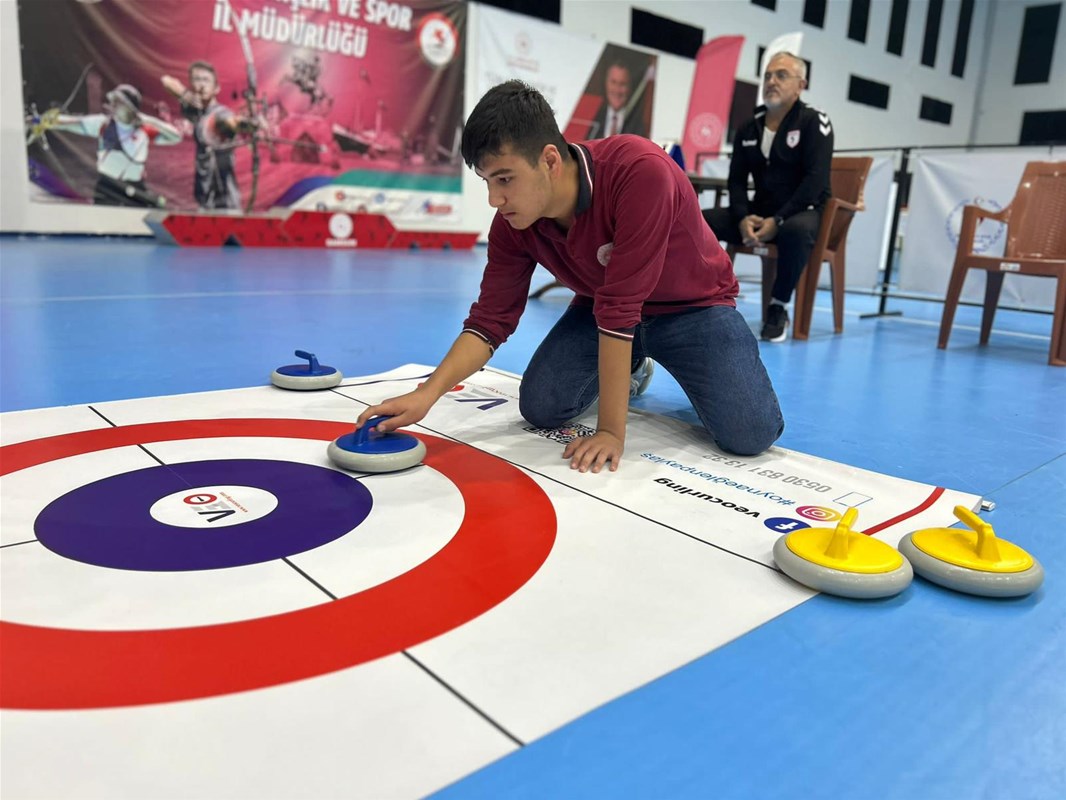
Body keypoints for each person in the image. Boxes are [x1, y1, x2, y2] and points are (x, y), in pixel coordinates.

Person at [357, 80, 783, 474]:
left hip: (694, 307)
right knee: (541, 407)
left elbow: (621, 309)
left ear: (549, 160)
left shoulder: (640, 170)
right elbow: (490, 320)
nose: (494, 198)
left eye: (505, 178)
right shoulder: (512, 222)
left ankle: (646, 359)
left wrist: (612, 432)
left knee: (749, 436)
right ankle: (633, 363)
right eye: (487, 181)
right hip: (602, 308)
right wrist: (426, 394)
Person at [703, 51, 834, 342]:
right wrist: (741, 218)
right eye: (767, 76)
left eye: (781, 75)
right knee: (701, 220)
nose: (771, 81)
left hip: (801, 212)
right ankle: (702, 299)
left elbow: (816, 181)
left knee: (797, 230)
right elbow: (736, 180)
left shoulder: (815, 122)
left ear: (801, 85)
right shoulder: (749, 126)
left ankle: (778, 307)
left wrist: (779, 219)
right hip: (759, 213)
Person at [34, 83, 181, 207]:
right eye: (114, 101)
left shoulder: (144, 130)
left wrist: (149, 120)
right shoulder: (103, 123)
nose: (113, 105)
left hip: (135, 188)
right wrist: (41, 120)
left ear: (130, 107)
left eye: (119, 102)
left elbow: (176, 137)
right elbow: (71, 123)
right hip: (107, 187)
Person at [162, 61, 254, 210]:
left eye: (206, 80)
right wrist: (185, 95)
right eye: (197, 79)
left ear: (216, 88)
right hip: (204, 195)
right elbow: (165, 80)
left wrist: (244, 125)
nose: (201, 85)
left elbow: (230, 122)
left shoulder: (221, 112)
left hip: (225, 198)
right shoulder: (194, 108)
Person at [591, 61, 645, 138]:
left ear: (630, 87)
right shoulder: (593, 116)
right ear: (606, 83)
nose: (617, 90)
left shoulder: (640, 125)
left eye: (622, 84)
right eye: (613, 82)